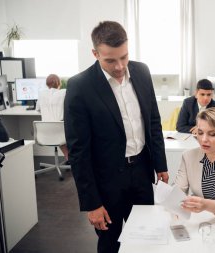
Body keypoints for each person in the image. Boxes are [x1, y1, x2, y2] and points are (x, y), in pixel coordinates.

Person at [64, 21, 168, 253]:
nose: (120, 66)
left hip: (142, 171)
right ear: (95, 53)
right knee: (110, 243)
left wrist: (160, 163)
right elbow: (78, 151)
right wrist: (92, 204)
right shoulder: (80, 86)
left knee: (144, 240)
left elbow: (153, 121)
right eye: (110, 60)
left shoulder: (142, 71)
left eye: (124, 57)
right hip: (106, 181)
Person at [36, 74, 68, 160]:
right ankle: (69, 157)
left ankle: (68, 156)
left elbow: (38, 109)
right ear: (59, 83)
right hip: (60, 132)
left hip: (44, 134)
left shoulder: (41, 94)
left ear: (47, 84)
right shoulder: (64, 92)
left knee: (59, 136)